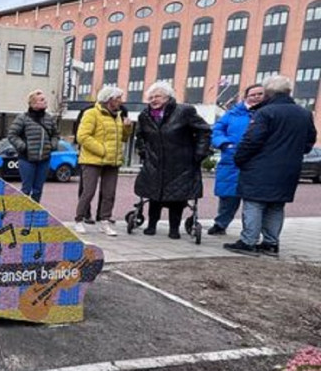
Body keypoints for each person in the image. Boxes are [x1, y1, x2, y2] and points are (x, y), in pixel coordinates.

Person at [223, 75, 317, 256]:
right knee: (276, 205)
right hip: (289, 168)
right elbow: (309, 141)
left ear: (268, 93)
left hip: (260, 166)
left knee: (254, 203)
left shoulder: (265, 113)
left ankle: (248, 241)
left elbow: (252, 140)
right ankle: (271, 243)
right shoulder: (304, 113)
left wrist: (240, 158)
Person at [134, 81, 211, 239]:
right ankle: (151, 225)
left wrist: (199, 153)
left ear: (168, 98)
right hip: (155, 163)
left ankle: (174, 229)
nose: (154, 100)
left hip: (181, 163)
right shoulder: (145, 116)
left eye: (158, 96)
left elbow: (204, 131)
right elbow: (140, 136)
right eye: (151, 97)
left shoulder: (184, 111)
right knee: (154, 195)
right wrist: (144, 152)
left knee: (177, 197)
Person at [73, 87, 133, 236]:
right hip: (92, 160)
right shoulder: (91, 113)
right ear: (109, 99)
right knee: (88, 191)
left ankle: (104, 221)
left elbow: (123, 139)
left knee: (109, 193)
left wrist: (127, 129)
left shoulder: (118, 116)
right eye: (118, 98)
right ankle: (79, 220)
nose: (121, 101)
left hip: (112, 162)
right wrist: (102, 150)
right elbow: (83, 136)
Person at [207, 84, 265, 235]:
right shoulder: (232, 114)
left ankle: (250, 232)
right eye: (253, 94)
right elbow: (216, 131)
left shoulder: (267, 114)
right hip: (231, 160)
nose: (257, 97)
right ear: (246, 97)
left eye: (260, 94)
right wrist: (225, 144)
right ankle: (221, 224)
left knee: (253, 200)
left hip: (257, 161)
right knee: (227, 196)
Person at [7, 90, 59, 203]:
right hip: (27, 159)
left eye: (45, 99)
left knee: (38, 190)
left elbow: (55, 134)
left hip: (44, 160)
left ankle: (34, 215)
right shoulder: (23, 118)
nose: (45, 101)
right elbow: (12, 135)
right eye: (42, 100)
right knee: (26, 189)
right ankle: (21, 214)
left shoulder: (49, 118)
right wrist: (22, 146)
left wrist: (53, 145)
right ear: (33, 103)